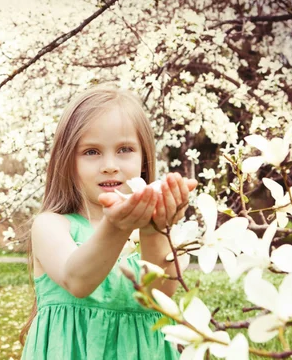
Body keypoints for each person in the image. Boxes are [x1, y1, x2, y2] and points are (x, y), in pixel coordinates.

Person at [20, 84, 197, 359]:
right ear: (68, 161)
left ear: (144, 159)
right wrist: (117, 227)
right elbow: (78, 281)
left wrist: (155, 231)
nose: (109, 165)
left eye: (125, 149)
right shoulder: (51, 225)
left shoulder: (164, 231)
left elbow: (159, 296)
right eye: (91, 152)